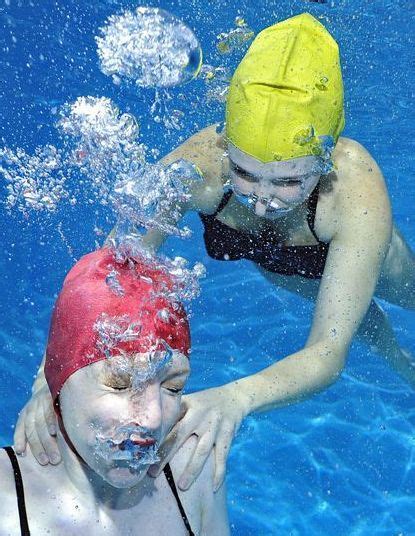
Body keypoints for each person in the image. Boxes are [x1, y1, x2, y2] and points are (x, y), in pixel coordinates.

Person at [14, 12, 414, 496]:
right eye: (245, 174)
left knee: (385, 305)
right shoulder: (197, 167)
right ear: (227, 146)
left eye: (290, 181)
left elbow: (326, 354)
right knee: (364, 326)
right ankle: (403, 364)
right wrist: (48, 379)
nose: (263, 200)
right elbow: (104, 276)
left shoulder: (353, 191)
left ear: (325, 162)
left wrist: (237, 396)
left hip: (361, 259)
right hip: (280, 262)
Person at [1, 248, 228, 535]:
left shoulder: (194, 470)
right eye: (119, 384)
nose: (152, 418)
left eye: (173, 387)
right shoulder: (5, 497)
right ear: (58, 383)